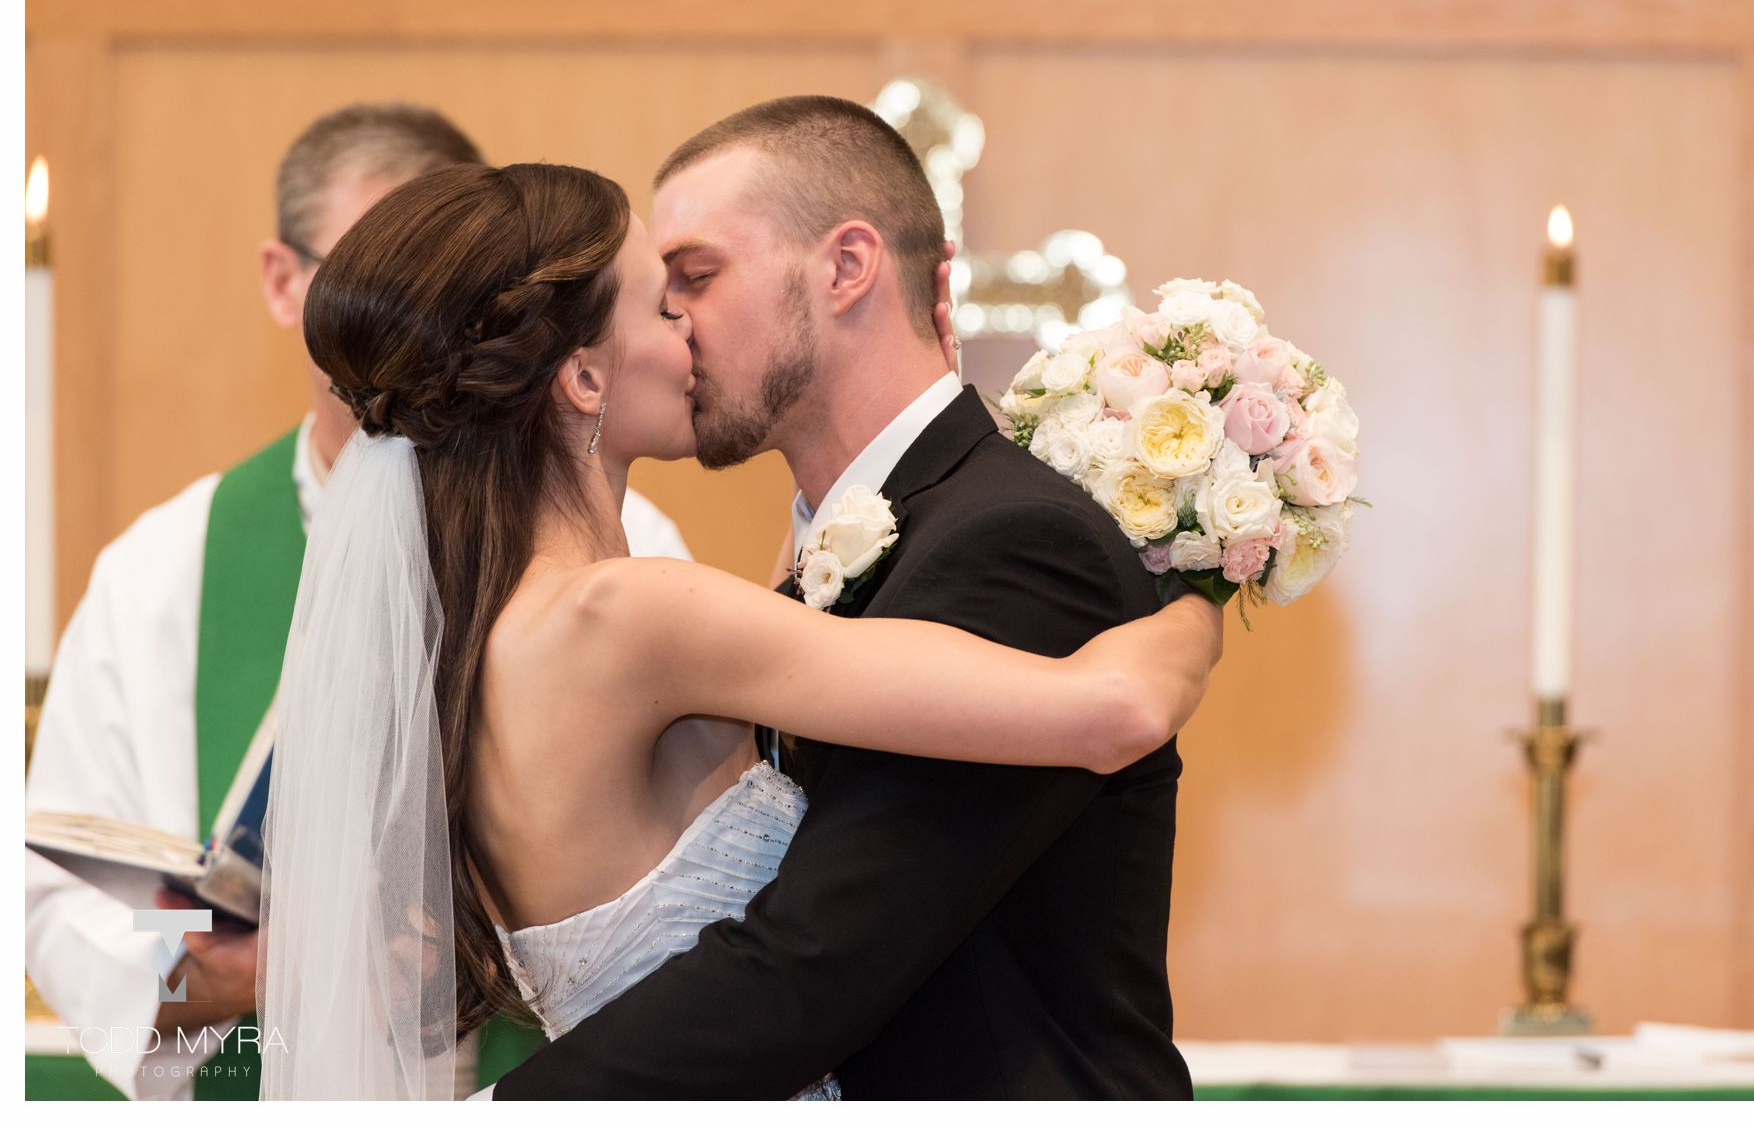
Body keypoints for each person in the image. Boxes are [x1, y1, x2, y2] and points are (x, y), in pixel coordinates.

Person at [258, 159, 1221, 1098]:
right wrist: (1192, 593)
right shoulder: (629, 614)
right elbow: (1116, 707)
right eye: (664, 306)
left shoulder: (484, 634)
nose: (691, 335)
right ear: (585, 379)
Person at [23, 104, 690, 1102]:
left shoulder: (634, 555)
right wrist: (226, 972)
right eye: (365, 276)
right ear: (283, 281)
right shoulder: (165, 569)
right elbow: (62, 893)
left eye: (455, 292)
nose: (413, 321)